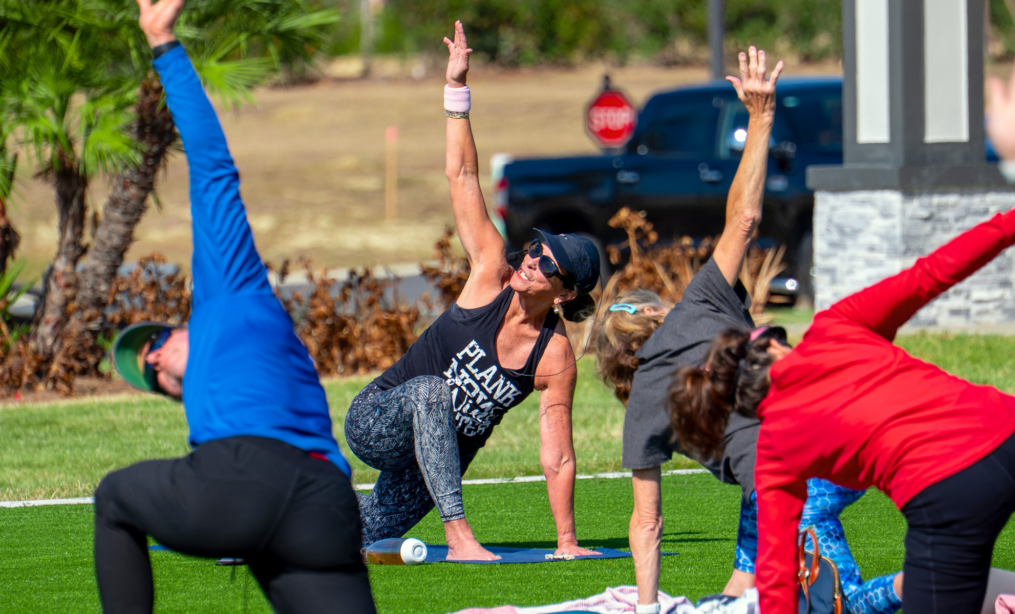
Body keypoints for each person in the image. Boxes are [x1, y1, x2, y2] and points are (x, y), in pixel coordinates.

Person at [666, 47, 1015, 614]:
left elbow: (776, 579)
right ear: (771, 344)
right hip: (1008, 428)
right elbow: (932, 274)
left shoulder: (776, 446)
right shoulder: (837, 326)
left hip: (949, 496)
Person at [597, 49, 902, 614]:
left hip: (803, 468)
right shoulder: (699, 304)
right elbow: (743, 219)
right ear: (655, 315)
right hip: (840, 422)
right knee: (746, 567)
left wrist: (647, 607)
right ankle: (737, 593)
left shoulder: (641, 406)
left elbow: (647, 522)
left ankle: (932, 578)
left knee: (845, 604)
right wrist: (760, 117)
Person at [95, 2, 374, 612]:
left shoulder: (230, 294)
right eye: (156, 379)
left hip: (276, 484)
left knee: (114, 496)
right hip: (320, 510)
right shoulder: (224, 387)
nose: (156, 362)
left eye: (155, 344)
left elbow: (213, 170)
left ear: (182, 332)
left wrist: (164, 45)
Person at [344, 21, 602, 561]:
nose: (532, 259)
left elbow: (557, 454)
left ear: (563, 293)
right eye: (536, 248)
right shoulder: (491, 272)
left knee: (349, 534)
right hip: (377, 420)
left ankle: (266, 525)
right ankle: (459, 537)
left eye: (548, 263)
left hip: (434, 466)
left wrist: (567, 542)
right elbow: (462, 176)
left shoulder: (553, 356)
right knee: (432, 392)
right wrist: (456, 91)